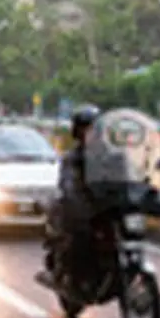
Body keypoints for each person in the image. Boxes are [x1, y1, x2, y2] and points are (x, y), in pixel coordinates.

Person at [55, 105, 100, 291]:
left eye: (94, 128)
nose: (90, 133)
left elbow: (129, 175)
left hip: (105, 207)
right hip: (83, 209)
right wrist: (75, 198)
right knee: (81, 237)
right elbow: (68, 182)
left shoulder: (113, 155)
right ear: (77, 131)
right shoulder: (72, 158)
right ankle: (77, 277)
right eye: (86, 128)